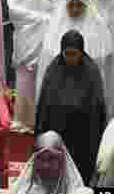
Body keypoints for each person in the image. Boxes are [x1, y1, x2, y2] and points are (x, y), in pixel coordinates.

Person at [36, 30, 108, 183]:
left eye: (74, 54)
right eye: (67, 54)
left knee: (80, 178)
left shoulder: (91, 71)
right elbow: (44, 106)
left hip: (83, 136)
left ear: (81, 52)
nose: (70, 58)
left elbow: (98, 108)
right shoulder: (53, 69)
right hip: (58, 132)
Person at [9, 132, 85, 194]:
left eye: (52, 158)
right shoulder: (20, 193)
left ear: (62, 161)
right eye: (40, 158)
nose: (45, 165)